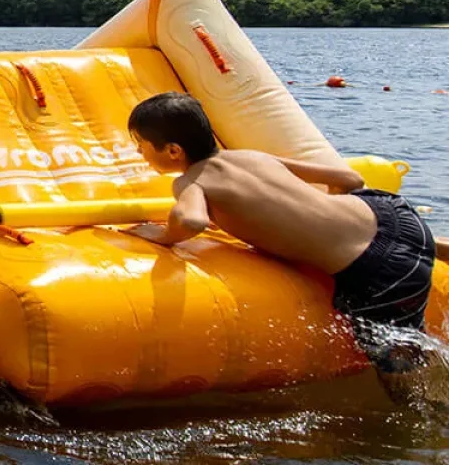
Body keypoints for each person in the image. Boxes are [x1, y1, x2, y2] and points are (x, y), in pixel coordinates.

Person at [126, 91, 437, 376]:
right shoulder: (252, 157)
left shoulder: (191, 183)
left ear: (173, 150)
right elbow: (349, 179)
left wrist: (162, 235)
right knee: (359, 228)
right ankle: (433, 246)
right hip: (396, 216)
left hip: (380, 272)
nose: (139, 152)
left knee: (400, 372)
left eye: (141, 145)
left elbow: (193, 222)